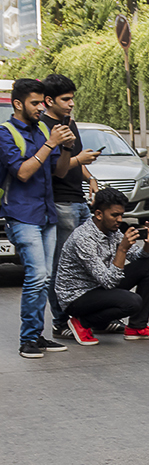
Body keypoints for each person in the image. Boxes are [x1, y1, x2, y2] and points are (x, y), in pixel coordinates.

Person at [1, 77, 72, 358]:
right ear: (17, 104)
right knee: (37, 275)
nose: (41, 108)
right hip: (21, 215)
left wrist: (65, 147)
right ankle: (27, 340)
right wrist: (51, 143)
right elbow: (22, 172)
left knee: (46, 278)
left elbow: (60, 172)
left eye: (42, 102)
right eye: (34, 103)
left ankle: (37, 335)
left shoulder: (44, 128)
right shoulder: (5, 133)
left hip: (46, 214)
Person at [52, 188, 149, 344]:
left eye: (121, 215)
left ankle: (136, 327)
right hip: (77, 297)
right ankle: (82, 323)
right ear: (99, 214)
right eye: (114, 215)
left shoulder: (113, 232)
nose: (119, 220)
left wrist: (148, 245)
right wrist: (122, 249)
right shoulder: (83, 238)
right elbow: (109, 281)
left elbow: (139, 257)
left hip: (98, 287)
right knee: (133, 302)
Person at [42, 74, 100, 338]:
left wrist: (90, 177)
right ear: (48, 100)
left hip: (79, 201)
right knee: (61, 265)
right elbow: (58, 170)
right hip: (60, 202)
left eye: (72, 98)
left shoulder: (69, 124)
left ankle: (90, 317)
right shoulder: (44, 127)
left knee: (90, 261)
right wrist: (79, 158)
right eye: (66, 99)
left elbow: (78, 160)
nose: (71, 104)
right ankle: (61, 321)